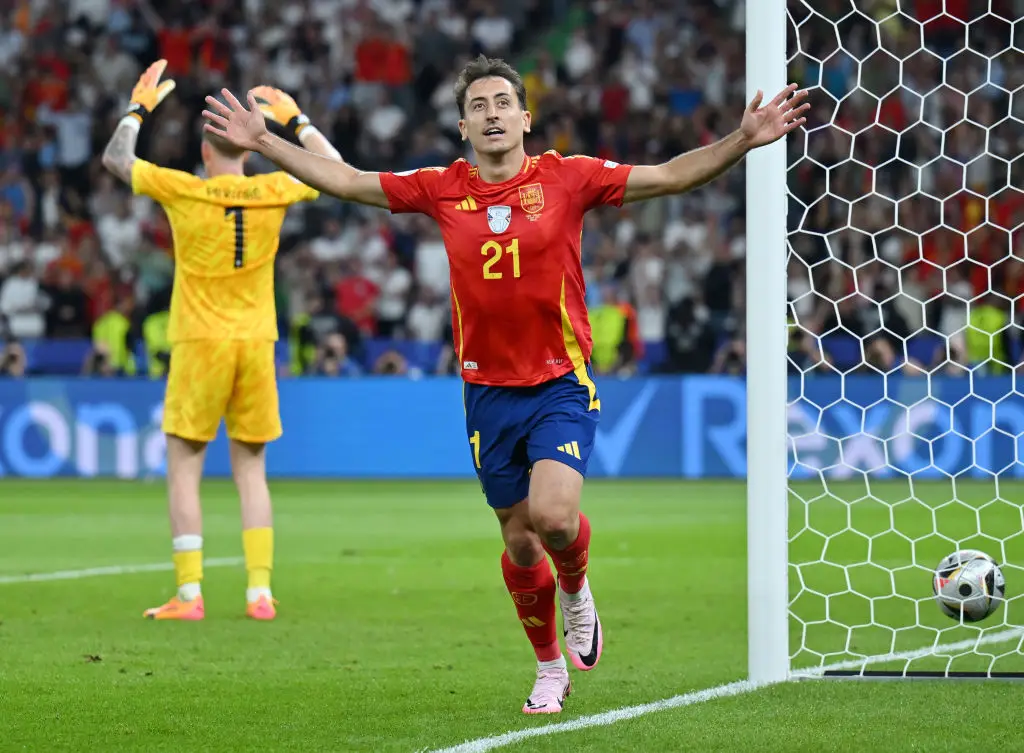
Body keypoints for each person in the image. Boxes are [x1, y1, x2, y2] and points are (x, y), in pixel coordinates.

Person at [204, 55, 808, 711]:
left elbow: (667, 176)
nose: (491, 114)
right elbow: (348, 181)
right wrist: (264, 141)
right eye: (478, 106)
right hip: (487, 392)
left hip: (560, 382)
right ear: (463, 127)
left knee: (554, 516)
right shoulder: (441, 187)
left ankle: (576, 590)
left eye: (502, 103)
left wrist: (742, 139)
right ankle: (549, 666)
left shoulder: (567, 178)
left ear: (526, 117)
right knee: (519, 539)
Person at [101, 61, 343, 621]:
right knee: (251, 469)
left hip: (199, 341)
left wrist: (138, 108)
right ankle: (259, 592)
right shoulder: (272, 189)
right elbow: (334, 170)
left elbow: (116, 160)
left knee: (184, 465)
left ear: (205, 153)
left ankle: (189, 594)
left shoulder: (185, 189)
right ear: (248, 152)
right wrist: (295, 120)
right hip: (256, 342)